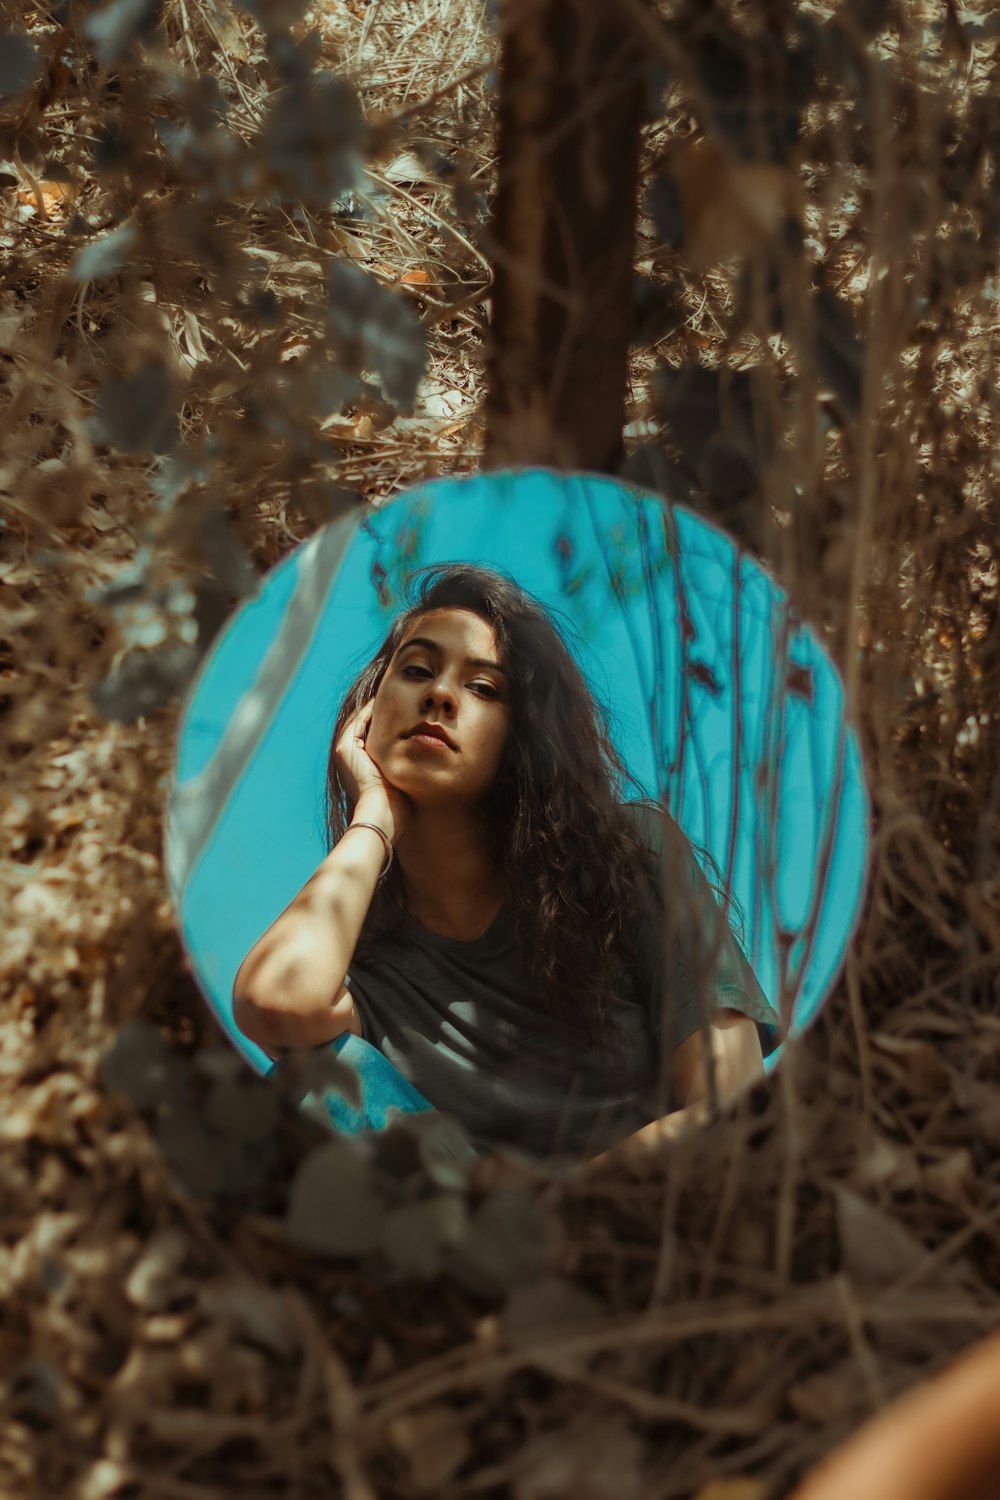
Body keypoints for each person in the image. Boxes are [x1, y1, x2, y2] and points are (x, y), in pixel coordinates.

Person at [232, 563, 778, 1166]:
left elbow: (729, 1102)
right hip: (449, 1238)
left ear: (522, 742)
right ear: (366, 714)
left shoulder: (630, 858)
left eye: (484, 688)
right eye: (417, 670)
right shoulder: (363, 956)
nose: (439, 694)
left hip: (633, 1229)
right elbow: (275, 1004)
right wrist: (375, 817)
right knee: (319, 1072)